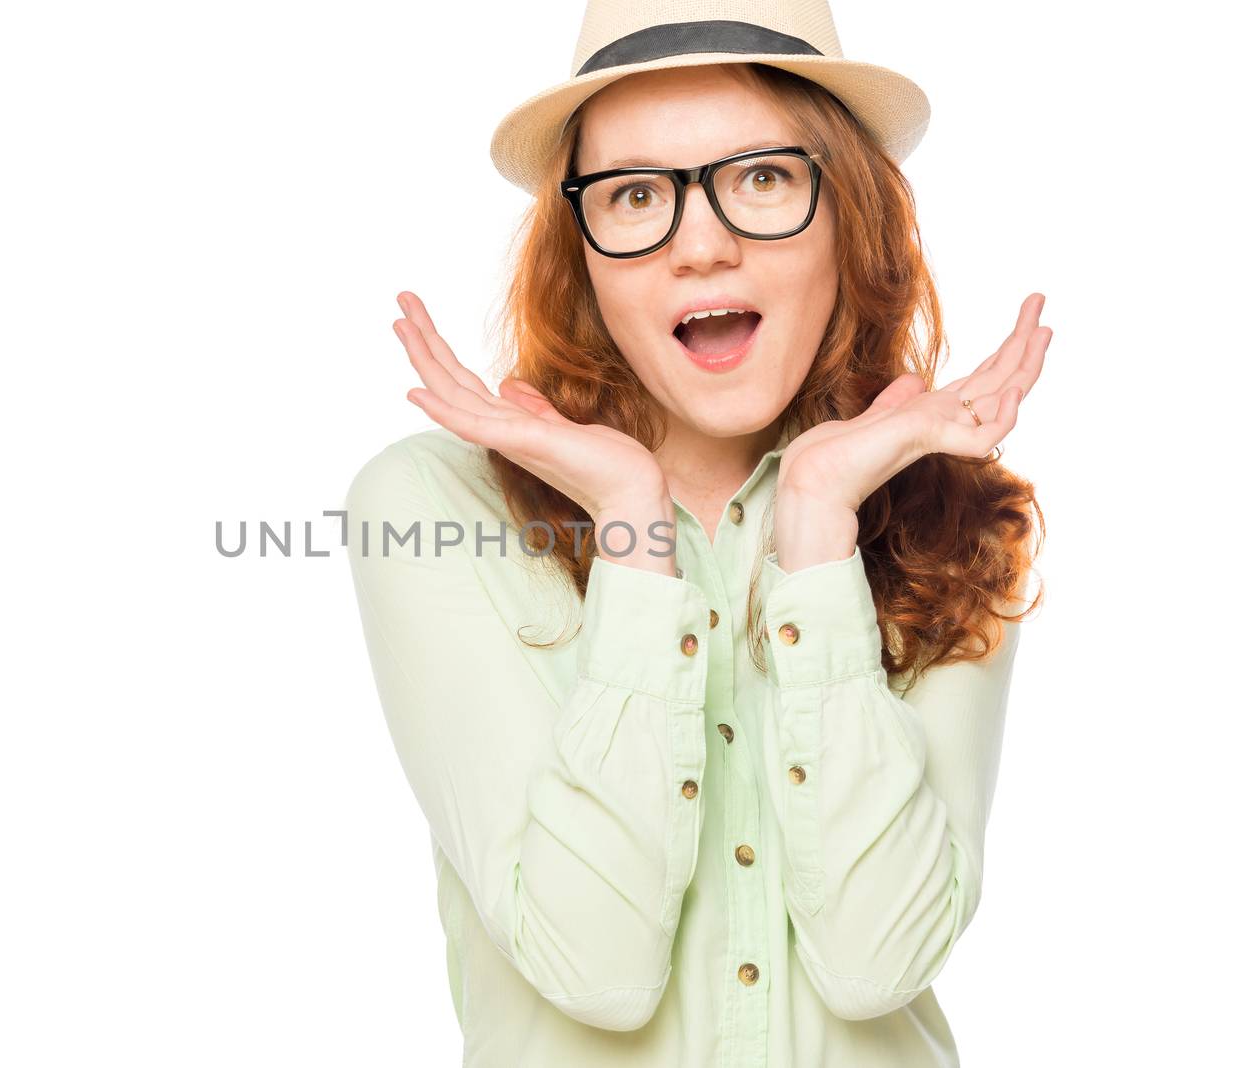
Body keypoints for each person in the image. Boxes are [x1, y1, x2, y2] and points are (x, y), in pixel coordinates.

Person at [342, 2, 1047, 1064]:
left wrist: (817, 529)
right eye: (633, 195)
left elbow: (877, 963)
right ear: (579, 251)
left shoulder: (951, 512)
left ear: (849, 214)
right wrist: (632, 531)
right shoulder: (436, 508)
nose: (702, 247)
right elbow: (595, 969)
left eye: (762, 178)